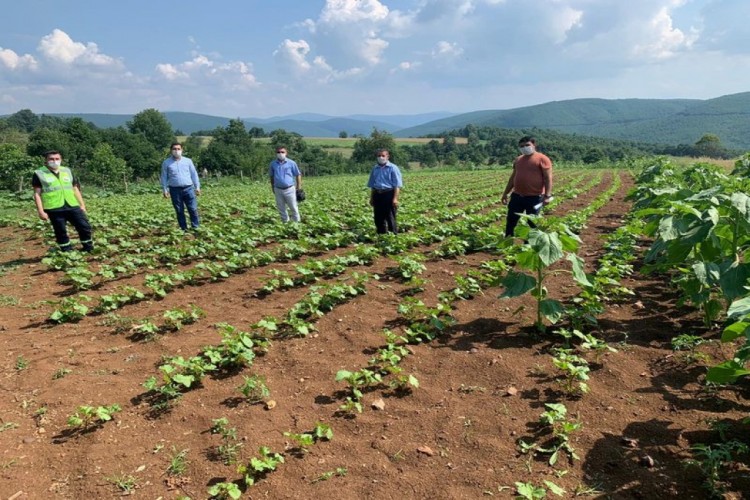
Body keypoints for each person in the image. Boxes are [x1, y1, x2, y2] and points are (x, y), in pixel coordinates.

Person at [32, 150, 94, 252]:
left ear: (61, 160)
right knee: (60, 231)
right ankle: (67, 251)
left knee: (84, 226)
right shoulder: (39, 173)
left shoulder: (67, 171)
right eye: (51, 159)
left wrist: (82, 204)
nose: (54, 161)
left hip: (72, 204)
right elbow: (37, 194)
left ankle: (88, 248)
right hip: (54, 207)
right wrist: (40, 211)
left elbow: (75, 188)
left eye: (57, 159)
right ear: (46, 161)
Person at [500, 136, 553, 237]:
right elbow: (513, 177)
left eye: (527, 145)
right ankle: (507, 241)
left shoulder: (542, 159)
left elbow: (548, 178)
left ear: (534, 145)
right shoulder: (518, 160)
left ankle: (529, 245)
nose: (525, 147)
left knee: (532, 222)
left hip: (535, 197)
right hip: (517, 196)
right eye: (522, 146)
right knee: (511, 220)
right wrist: (505, 193)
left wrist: (547, 196)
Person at [161, 142, 201, 231]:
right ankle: (184, 229)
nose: (176, 151)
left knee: (193, 209)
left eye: (178, 149)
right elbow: (164, 177)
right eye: (174, 149)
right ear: (171, 151)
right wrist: (164, 189)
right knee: (179, 211)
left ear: (182, 150)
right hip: (174, 190)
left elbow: (194, 174)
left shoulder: (188, 161)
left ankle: (196, 227)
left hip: (189, 188)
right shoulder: (166, 163)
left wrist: (197, 187)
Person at [367, 149, 403, 234]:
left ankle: (393, 237)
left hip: (389, 194)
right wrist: (372, 198)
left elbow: (397, 185)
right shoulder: (375, 168)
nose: (381, 157)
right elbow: (373, 185)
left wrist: (395, 199)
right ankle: (381, 236)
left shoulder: (393, 168)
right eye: (379, 156)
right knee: (378, 217)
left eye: (383, 155)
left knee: (390, 217)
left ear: (387, 156)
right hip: (377, 194)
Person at [269, 146, 302, 223]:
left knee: (293, 207)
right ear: (276, 153)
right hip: (278, 189)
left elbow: (298, 174)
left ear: (286, 153)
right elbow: (271, 176)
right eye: (278, 152)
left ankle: (296, 223)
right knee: (281, 207)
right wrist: (273, 187)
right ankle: (285, 222)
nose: (280, 153)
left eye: (282, 152)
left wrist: (299, 187)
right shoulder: (273, 164)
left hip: (289, 189)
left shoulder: (291, 163)